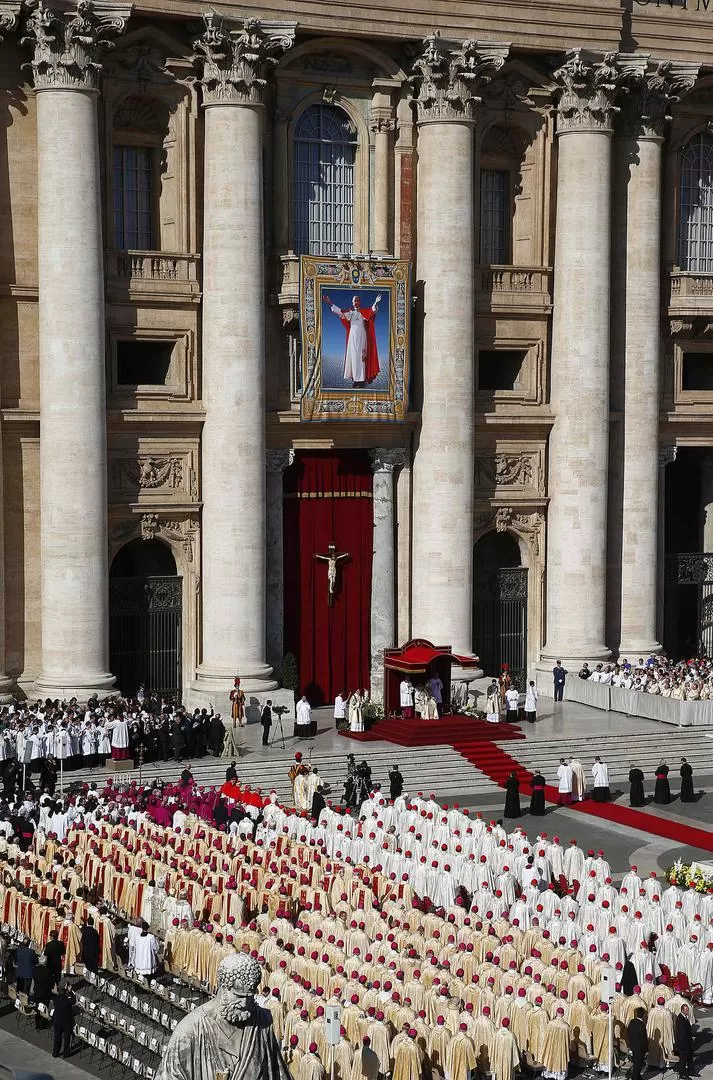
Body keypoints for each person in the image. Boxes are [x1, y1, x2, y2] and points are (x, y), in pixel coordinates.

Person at [156, 953, 290, 1080]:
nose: (244, 1003)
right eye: (238, 996)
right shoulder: (190, 1031)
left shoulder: (261, 1022)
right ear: (223, 987)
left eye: (249, 997)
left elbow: (277, 1073)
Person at [322, 292, 382, 386]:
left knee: (362, 357)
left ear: (360, 302)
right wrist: (329, 302)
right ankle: (355, 379)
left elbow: (372, 311)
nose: (356, 302)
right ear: (352, 302)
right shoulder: (350, 313)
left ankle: (362, 380)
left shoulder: (363, 313)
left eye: (357, 300)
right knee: (354, 358)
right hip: (352, 337)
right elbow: (339, 312)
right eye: (355, 301)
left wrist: (376, 302)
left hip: (362, 337)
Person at [51, 983, 75, 1059]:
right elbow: (74, 1001)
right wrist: (70, 992)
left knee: (57, 1038)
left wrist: (55, 991)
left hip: (57, 1021)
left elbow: (54, 995)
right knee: (67, 1038)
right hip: (66, 1022)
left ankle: (55, 1053)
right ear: (65, 993)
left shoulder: (56, 1000)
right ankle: (66, 1053)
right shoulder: (68, 1001)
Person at [31, 955, 54, 1027]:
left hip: (37, 991)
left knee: (38, 1007)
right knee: (44, 1008)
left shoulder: (35, 969)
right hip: (45, 993)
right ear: (45, 963)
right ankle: (43, 1023)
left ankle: (37, 1023)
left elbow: (34, 978)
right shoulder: (48, 971)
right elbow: (51, 982)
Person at [674, 1003, 696, 1079]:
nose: (687, 1012)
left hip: (688, 1043)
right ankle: (682, 1074)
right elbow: (682, 1034)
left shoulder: (685, 1017)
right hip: (683, 1044)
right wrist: (685, 1045)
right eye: (686, 1010)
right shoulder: (680, 1019)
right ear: (682, 1010)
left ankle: (691, 1072)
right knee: (683, 1061)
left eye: (688, 1010)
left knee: (690, 1058)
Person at [627, 1007, 649, 1080]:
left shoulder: (632, 1021)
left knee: (636, 1064)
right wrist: (646, 1050)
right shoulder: (642, 1025)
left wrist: (629, 1045)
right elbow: (644, 1039)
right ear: (643, 1015)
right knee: (638, 1065)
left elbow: (628, 1032)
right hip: (640, 1049)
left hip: (632, 1047)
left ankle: (638, 1077)